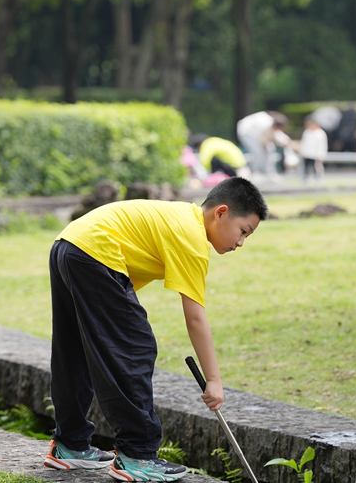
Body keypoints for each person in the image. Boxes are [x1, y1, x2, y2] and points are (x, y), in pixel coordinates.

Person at [43, 177, 268, 482]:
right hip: (95, 252)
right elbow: (195, 318)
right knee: (135, 348)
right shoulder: (192, 238)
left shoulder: (181, 218)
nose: (240, 243)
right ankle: (137, 455)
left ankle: (69, 444)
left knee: (76, 349)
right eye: (243, 231)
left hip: (69, 245)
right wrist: (213, 380)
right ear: (220, 213)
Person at [236, 111, 290, 175]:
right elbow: (260, 138)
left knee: (270, 148)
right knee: (256, 151)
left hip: (254, 133)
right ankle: (255, 172)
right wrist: (265, 141)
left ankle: (270, 171)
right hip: (245, 131)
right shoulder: (264, 124)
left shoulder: (272, 123)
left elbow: (278, 136)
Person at [298, 116, 328, 184]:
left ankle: (318, 179)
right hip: (307, 153)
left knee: (317, 167)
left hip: (316, 154)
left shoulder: (321, 133)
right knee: (306, 167)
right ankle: (305, 180)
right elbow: (304, 143)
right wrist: (302, 152)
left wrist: (322, 155)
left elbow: (323, 145)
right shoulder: (307, 132)